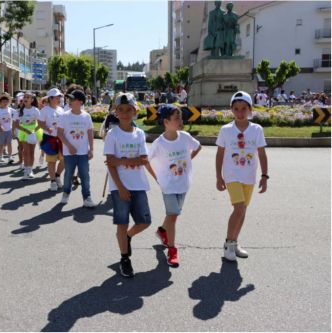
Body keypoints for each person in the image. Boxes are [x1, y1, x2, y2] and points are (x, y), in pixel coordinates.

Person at [103, 92, 153, 277]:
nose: (124, 113)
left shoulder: (139, 133)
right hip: (120, 187)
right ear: (116, 112)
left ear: (135, 112)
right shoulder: (112, 134)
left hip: (139, 184)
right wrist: (121, 188)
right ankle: (125, 258)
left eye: (128, 109)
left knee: (145, 221)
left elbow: (144, 159)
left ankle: (128, 237)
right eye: (121, 109)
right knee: (122, 223)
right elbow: (110, 163)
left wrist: (121, 160)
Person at [215, 91, 268, 261]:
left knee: (243, 211)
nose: (240, 112)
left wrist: (265, 176)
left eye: (243, 108)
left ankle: (235, 243)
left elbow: (262, 153)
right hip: (231, 176)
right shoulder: (225, 130)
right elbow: (219, 154)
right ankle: (228, 244)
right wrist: (218, 176)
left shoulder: (257, 129)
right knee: (238, 209)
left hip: (249, 176)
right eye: (236, 109)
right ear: (231, 110)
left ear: (250, 109)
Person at [148, 104, 202, 267]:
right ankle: (172, 250)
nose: (180, 120)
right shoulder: (159, 143)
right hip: (168, 186)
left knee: (174, 216)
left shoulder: (185, 137)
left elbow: (198, 147)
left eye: (180, 117)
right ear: (166, 121)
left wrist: (188, 161)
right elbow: (145, 160)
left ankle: (162, 231)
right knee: (172, 216)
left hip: (183, 184)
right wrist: (156, 177)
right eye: (176, 118)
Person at [57, 90, 96, 207]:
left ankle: (87, 197)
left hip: (83, 152)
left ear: (80, 102)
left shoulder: (86, 116)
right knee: (68, 174)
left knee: (85, 176)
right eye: (69, 99)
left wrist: (91, 149)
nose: (69, 101)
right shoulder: (65, 116)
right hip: (69, 153)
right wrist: (69, 146)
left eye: (72, 99)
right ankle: (66, 193)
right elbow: (59, 133)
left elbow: (90, 133)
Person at [39, 88, 65, 192]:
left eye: (60, 96)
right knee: (52, 161)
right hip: (49, 138)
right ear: (50, 98)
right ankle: (53, 181)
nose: (59, 98)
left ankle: (57, 175)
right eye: (57, 97)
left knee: (64, 160)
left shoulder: (60, 109)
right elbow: (40, 123)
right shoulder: (44, 110)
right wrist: (47, 128)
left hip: (61, 137)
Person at [15, 91, 42, 180]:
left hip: (33, 132)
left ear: (32, 100)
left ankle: (30, 170)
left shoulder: (35, 110)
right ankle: (26, 170)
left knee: (31, 152)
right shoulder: (19, 111)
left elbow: (40, 124)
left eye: (28, 97)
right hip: (24, 132)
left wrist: (33, 131)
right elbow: (16, 124)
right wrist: (26, 131)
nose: (26, 98)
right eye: (25, 97)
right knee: (25, 151)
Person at [0, 93, 14, 163]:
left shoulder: (10, 109)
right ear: (0, 102)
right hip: (1, 130)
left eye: (6, 101)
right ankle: (0, 156)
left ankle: (10, 156)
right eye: (3, 102)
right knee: (1, 144)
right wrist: (0, 126)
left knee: (9, 143)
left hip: (9, 129)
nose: (5, 103)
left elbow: (17, 113)